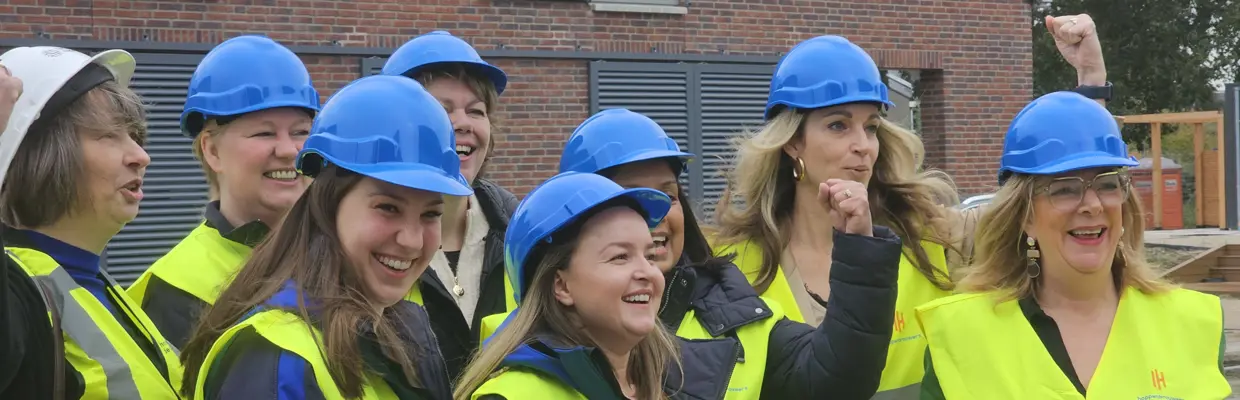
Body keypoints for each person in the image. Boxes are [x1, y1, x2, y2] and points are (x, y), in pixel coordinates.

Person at [710, 14, 1114, 399]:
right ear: (793, 142)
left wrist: (1091, 87)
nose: (863, 145)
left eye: (871, 126)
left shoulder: (929, 237)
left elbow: (1045, 202)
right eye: (838, 125)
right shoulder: (733, 264)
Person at [480, 108, 903, 398]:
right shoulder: (525, 362)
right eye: (631, 201)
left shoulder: (738, 311)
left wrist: (860, 250)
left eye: (669, 196)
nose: (657, 218)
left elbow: (838, 380)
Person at [915, 91, 1232, 399]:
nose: (1092, 205)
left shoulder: (1193, 324)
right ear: (1024, 214)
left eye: (1108, 184)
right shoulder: (960, 336)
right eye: (1064, 189)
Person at [178, 74, 470, 400]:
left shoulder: (398, 327)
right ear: (328, 206)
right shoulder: (275, 358)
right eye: (388, 207)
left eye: (431, 214)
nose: (413, 240)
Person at [0, 46, 182, 398]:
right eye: (108, 135)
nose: (141, 156)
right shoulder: (18, 295)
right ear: (40, 154)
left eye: (133, 135)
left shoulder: (98, 288)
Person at [128, 34, 321, 348]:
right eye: (264, 132)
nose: (289, 150)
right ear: (212, 150)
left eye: (301, 132)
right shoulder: (170, 290)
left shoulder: (351, 252)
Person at [455, 172, 680, 400]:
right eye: (620, 257)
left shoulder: (673, 384)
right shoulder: (513, 396)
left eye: (650, 256)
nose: (648, 273)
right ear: (562, 286)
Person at [382, 30, 520, 379]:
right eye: (440, 111)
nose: (463, 124)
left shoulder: (521, 232)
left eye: (477, 111)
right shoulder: (365, 242)